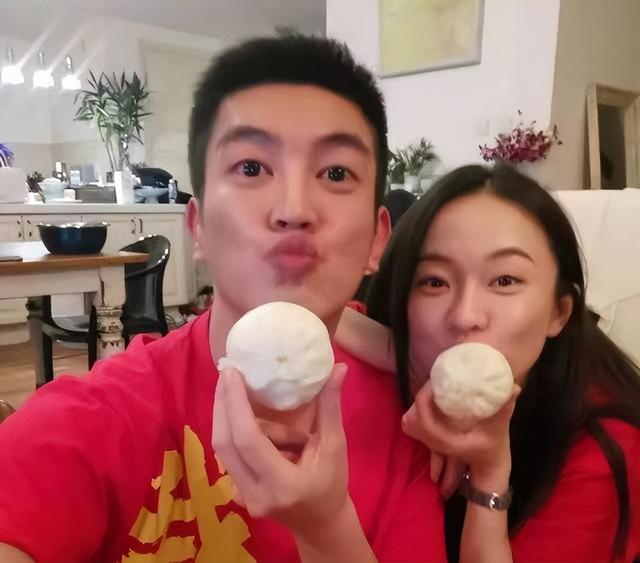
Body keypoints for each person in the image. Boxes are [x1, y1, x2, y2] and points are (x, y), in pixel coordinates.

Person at [0, 36, 447, 562]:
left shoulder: (412, 410)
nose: (293, 209)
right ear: (199, 227)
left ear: (377, 239)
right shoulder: (103, 417)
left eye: (335, 173)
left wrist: (327, 531)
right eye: (251, 168)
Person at [337, 164, 640, 562]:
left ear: (559, 312)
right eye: (434, 281)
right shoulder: (391, 366)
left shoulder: (607, 447)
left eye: (504, 281)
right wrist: (406, 364)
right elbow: (310, 312)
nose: (465, 316)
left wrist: (488, 474)